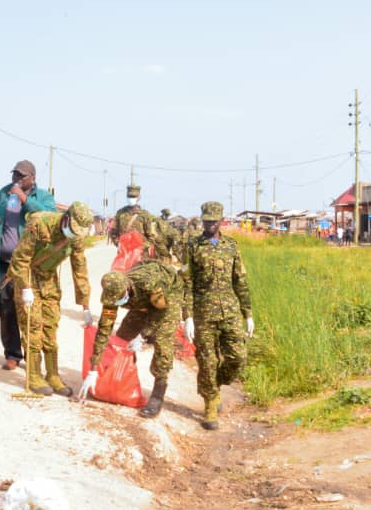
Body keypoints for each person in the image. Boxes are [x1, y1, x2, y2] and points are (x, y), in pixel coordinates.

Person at [79, 260, 187, 417]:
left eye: (119, 297)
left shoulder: (149, 283)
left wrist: (143, 336)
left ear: (127, 289)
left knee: (162, 343)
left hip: (167, 299)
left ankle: (157, 395)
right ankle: (120, 379)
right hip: (141, 302)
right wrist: (93, 369)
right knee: (122, 338)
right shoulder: (113, 293)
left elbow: (159, 313)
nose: (115, 301)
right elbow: (104, 329)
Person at [8, 202, 93, 396]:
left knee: (51, 326)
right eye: (73, 229)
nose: (73, 234)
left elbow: (80, 268)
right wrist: (25, 288)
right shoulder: (39, 224)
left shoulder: (77, 236)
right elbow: (20, 259)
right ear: (66, 218)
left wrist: (85, 305)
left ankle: (53, 374)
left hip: (49, 279)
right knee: (33, 326)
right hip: (27, 277)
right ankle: (34, 375)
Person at [0, 160, 57, 371]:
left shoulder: (43, 197)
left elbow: (50, 218)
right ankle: (12, 354)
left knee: (31, 310)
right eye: (15, 175)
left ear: (33, 178)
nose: (16, 179)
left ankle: (34, 355)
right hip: (6, 265)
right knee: (8, 310)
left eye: (21, 176)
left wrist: (24, 198)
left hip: (31, 265)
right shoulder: (2, 194)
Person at [182, 201, 253, 430]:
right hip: (203, 313)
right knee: (207, 361)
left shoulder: (231, 246)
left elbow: (240, 280)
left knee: (238, 357)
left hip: (230, 311)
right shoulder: (193, 246)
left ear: (221, 221)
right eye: (206, 221)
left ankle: (214, 383)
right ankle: (210, 404)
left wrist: (248, 313)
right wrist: (187, 316)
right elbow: (186, 283)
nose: (210, 225)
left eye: (214, 221)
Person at [113, 184, 169, 260]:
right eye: (129, 196)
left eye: (133, 197)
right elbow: (113, 232)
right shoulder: (120, 213)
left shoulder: (145, 215)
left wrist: (142, 247)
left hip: (141, 256)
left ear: (139, 197)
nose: (131, 199)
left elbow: (151, 237)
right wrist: (119, 244)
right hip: (124, 254)